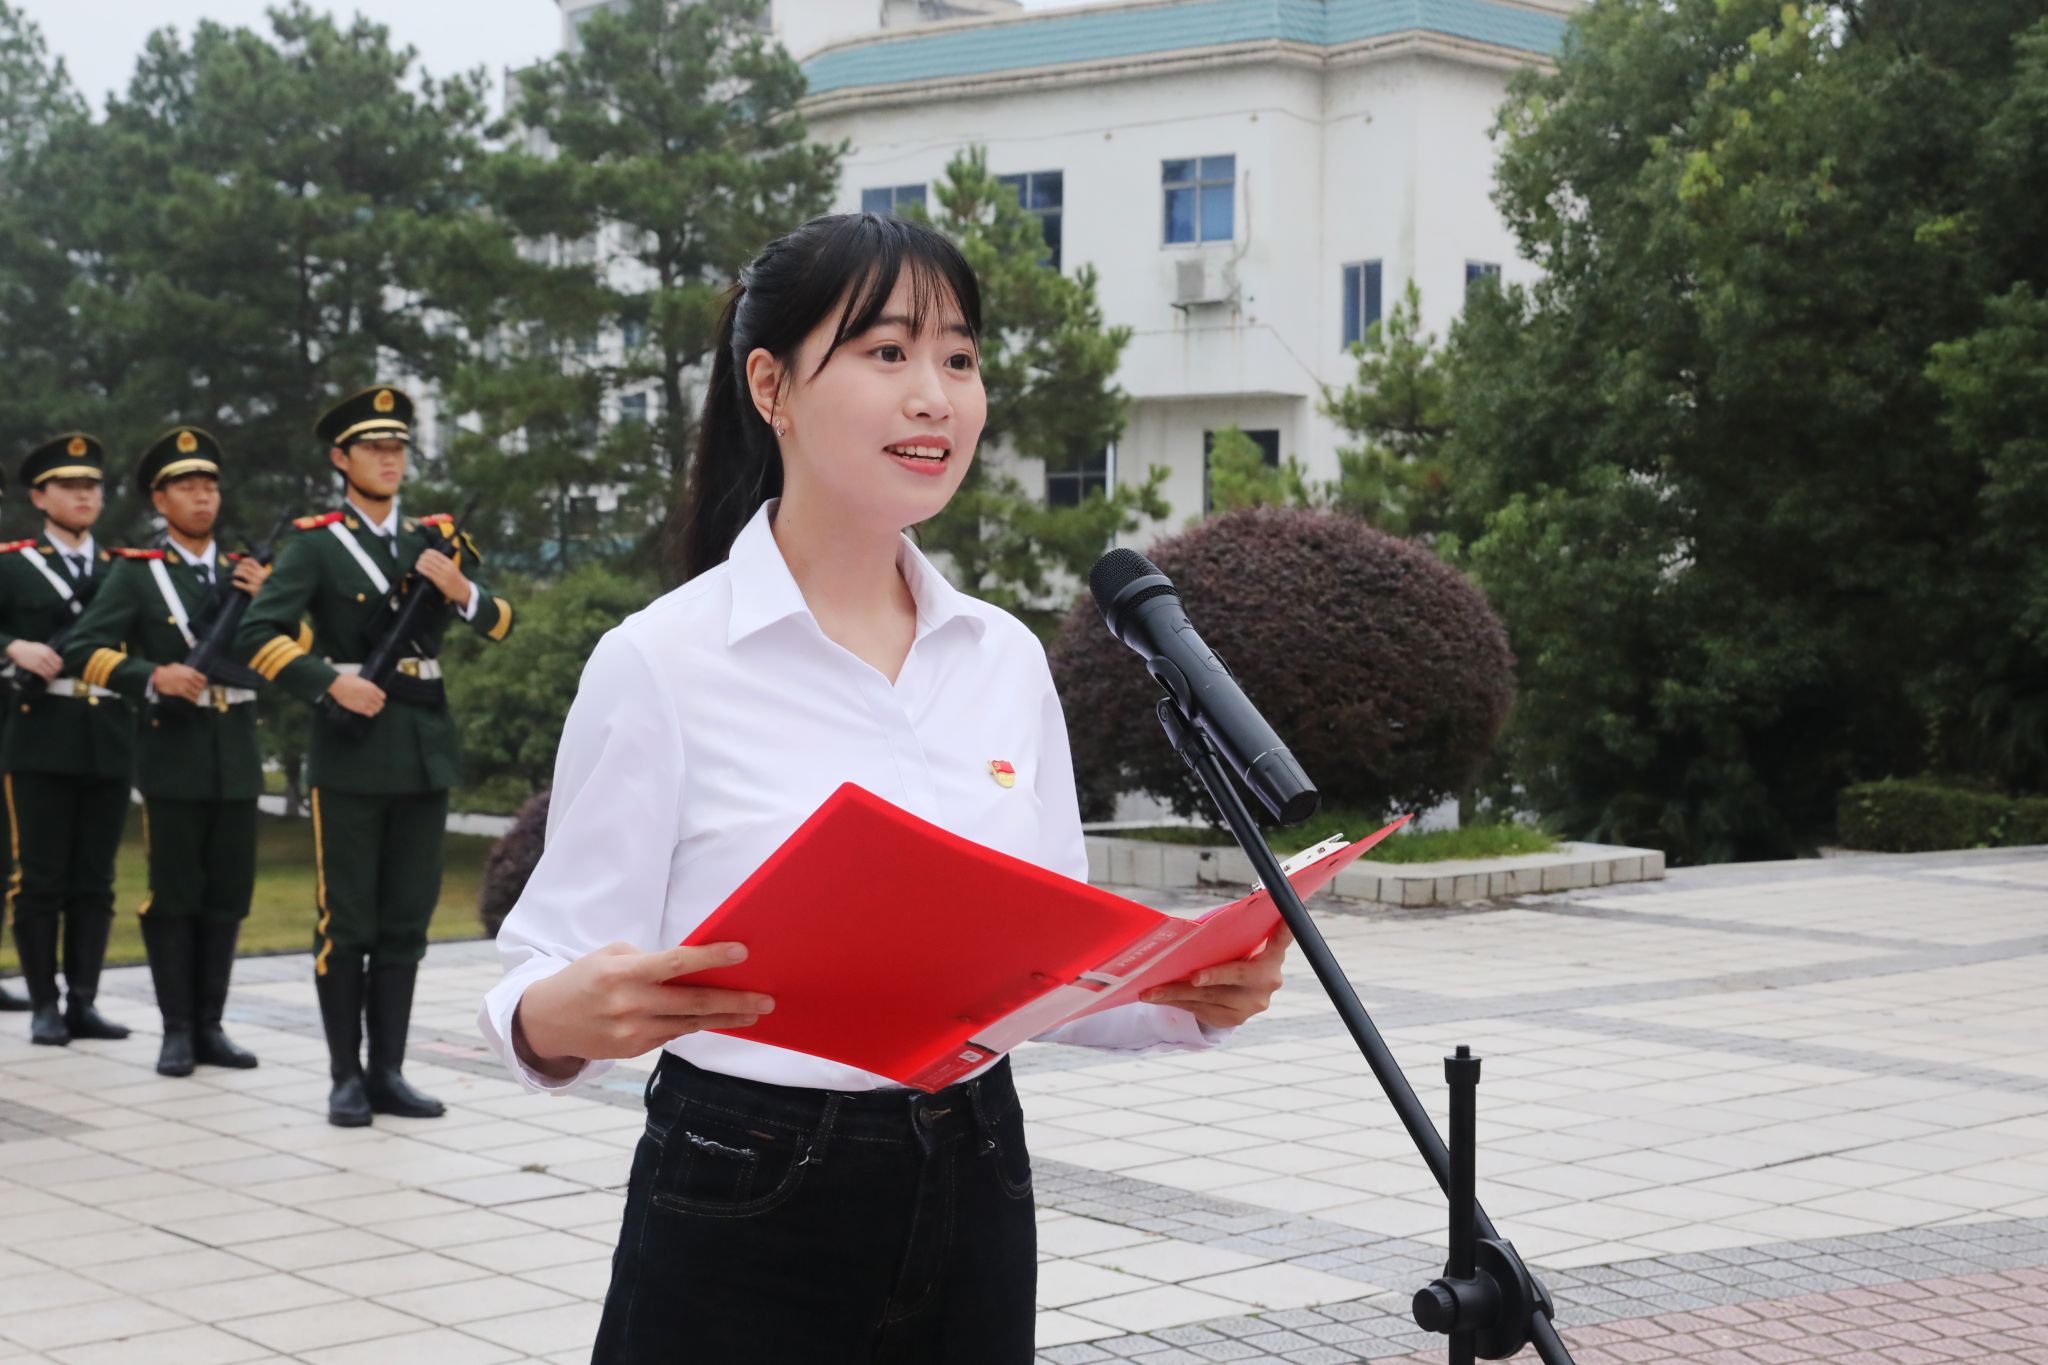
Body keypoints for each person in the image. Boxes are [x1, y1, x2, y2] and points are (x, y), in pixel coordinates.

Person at [479, 213, 1291, 1364]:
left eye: (958, 359)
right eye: (887, 352)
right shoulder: (661, 662)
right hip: (747, 1187)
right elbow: (543, 966)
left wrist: (1183, 994)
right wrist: (553, 1020)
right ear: (771, 386)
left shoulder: (1002, 658)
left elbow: (1041, 970)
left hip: (976, 1170)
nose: (934, 397)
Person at [236, 385, 514, 1127]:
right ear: (341, 458)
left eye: (397, 447)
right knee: (348, 921)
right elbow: (257, 632)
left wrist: (460, 588)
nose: (390, 459)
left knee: (405, 921)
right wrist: (330, 682)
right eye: (373, 448)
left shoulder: (433, 539)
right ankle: (345, 1077)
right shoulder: (315, 544)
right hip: (353, 752)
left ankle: (389, 1072)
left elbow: (500, 622)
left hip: (423, 748)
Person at [63, 427, 273, 1076]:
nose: (202, 497)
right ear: (161, 499)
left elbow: (293, 645)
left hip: (236, 756)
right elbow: (83, 649)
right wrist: (152, 676)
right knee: (175, 894)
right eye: (187, 487)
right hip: (173, 755)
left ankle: (212, 1026)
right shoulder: (137, 573)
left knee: (229, 895)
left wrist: (267, 600)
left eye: (210, 486)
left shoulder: (249, 572)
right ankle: (177, 1028)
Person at [0, 433, 134, 1047]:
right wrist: (12, 646)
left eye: (91, 487)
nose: (83, 497)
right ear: (39, 497)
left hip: (108, 733)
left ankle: (84, 1001)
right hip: (40, 737)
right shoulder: (13, 564)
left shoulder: (123, 570)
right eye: (69, 486)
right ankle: (45, 1004)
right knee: (41, 879)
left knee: (95, 880)